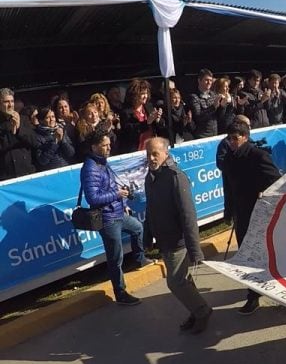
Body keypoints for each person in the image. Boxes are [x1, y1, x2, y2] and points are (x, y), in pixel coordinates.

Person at [144, 137, 212, 334]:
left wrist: (195, 250)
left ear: (166, 153)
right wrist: (147, 236)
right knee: (183, 280)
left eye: (155, 153)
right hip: (163, 240)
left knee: (175, 282)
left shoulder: (176, 177)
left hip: (177, 241)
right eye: (148, 154)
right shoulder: (151, 177)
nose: (151, 158)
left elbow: (188, 215)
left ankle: (202, 311)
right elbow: (150, 209)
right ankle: (196, 309)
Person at [81, 129, 148, 305]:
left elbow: (111, 187)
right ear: (94, 146)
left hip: (118, 211)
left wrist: (123, 203)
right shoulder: (90, 168)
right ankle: (120, 293)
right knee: (115, 257)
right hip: (107, 218)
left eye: (109, 144)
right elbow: (93, 198)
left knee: (138, 228)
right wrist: (117, 194)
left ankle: (140, 260)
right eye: (104, 145)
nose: (109, 147)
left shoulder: (103, 163)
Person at [222, 121, 282, 314]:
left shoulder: (259, 156)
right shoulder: (229, 158)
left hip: (260, 214)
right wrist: (228, 210)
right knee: (247, 255)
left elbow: (275, 181)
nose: (231, 142)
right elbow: (229, 188)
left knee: (266, 254)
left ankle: (278, 287)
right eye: (229, 138)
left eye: (235, 138)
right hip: (242, 214)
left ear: (245, 137)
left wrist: (262, 193)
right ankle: (253, 295)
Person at [0, 88, 39, 180]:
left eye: (12, 101)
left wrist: (18, 129)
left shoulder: (24, 119)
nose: (10, 105)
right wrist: (11, 132)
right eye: (6, 102)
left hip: (27, 172)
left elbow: (34, 142)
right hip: (6, 176)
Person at [34, 106, 75, 170]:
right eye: (47, 117)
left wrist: (63, 141)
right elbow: (42, 160)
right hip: (51, 172)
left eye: (53, 117)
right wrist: (54, 143)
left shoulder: (61, 130)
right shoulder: (38, 136)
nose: (51, 119)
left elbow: (71, 153)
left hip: (66, 169)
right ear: (41, 121)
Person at [188, 68, 220, 138]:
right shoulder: (194, 97)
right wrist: (213, 107)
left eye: (211, 80)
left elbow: (219, 115)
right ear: (199, 80)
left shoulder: (213, 94)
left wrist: (223, 106)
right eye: (206, 80)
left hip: (215, 134)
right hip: (202, 136)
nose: (209, 82)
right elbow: (198, 116)